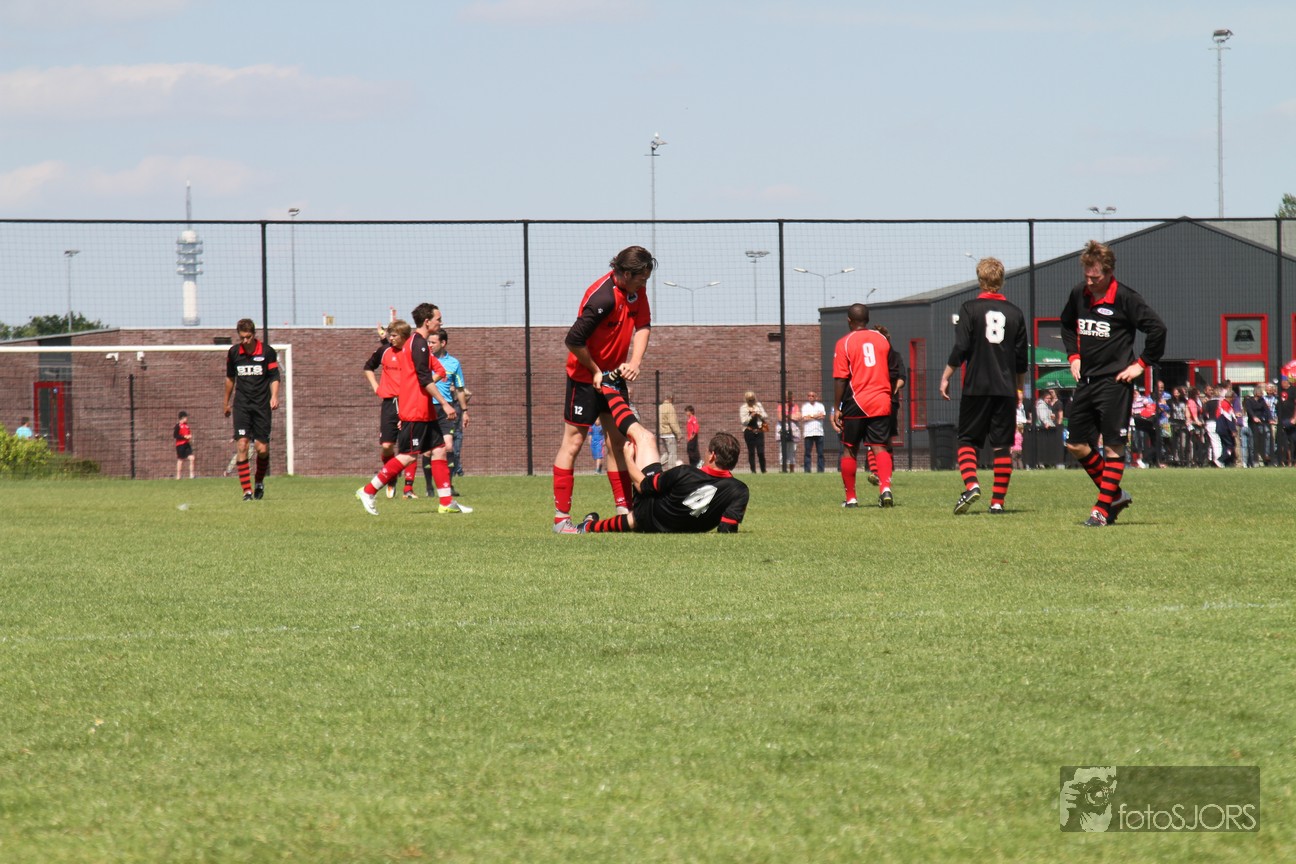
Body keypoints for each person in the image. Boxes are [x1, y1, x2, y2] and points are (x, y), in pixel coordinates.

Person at [1059, 241, 1167, 527]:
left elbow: (1157, 329)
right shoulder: (1078, 294)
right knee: (1075, 444)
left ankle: (1101, 509)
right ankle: (1116, 495)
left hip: (1115, 383)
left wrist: (1140, 365)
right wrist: (1073, 356)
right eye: (1086, 276)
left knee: (1113, 447)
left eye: (1095, 277)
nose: (1090, 281)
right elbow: (1067, 324)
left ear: (1108, 272)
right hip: (1086, 381)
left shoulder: (1125, 297)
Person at [551, 246, 654, 534]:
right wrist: (595, 371)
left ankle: (624, 512)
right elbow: (573, 340)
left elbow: (643, 325)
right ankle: (561, 520)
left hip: (614, 379)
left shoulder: (637, 291)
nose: (644, 284)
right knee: (573, 443)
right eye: (641, 279)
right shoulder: (602, 297)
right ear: (625, 273)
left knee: (618, 443)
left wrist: (634, 361)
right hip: (584, 378)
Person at [356, 303, 470, 516]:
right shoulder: (417, 344)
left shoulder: (417, 343)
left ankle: (446, 502)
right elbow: (424, 378)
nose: (441, 322)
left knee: (439, 450)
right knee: (408, 456)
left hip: (423, 409)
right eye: (438, 319)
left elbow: (430, 374)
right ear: (427, 321)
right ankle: (368, 491)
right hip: (415, 409)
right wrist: (445, 403)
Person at [938, 256, 1028, 515]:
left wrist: (946, 376)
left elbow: (961, 347)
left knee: (967, 439)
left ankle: (972, 485)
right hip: (1005, 388)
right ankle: (997, 502)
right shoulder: (1015, 313)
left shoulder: (969, 309)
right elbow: (1021, 358)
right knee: (1002, 445)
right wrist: (1019, 388)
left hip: (976, 386)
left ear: (980, 280)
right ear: (1002, 280)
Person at [578, 420, 749, 534]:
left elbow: (642, 486)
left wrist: (628, 458)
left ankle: (611, 391)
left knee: (645, 438)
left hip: (648, 515)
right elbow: (727, 528)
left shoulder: (685, 473)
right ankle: (589, 526)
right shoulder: (739, 490)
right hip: (666, 524)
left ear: (712, 456)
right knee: (635, 519)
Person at [833, 302, 904, 508]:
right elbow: (894, 371)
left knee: (849, 449)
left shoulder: (844, 343)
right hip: (881, 400)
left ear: (849, 321)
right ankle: (885, 489)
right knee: (880, 447)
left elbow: (840, 379)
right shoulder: (882, 339)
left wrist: (836, 407)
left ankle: (851, 499)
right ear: (867, 319)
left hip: (856, 401)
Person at [223, 319, 280, 501]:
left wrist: (274, 396)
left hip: (262, 406)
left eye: (248, 337)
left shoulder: (267, 352)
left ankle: (259, 482)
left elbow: (274, 376)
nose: (245, 341)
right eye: (242, 337)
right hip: (242, 406)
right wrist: (226, 402)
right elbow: (230, 379)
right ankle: (247, 491)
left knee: (262, 449)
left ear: (254, 334)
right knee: (242, 445)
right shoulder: (234, 353)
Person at [362, 320, 410, 499]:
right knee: (387, 445)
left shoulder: (411, 353)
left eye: (394, 335)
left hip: (408, 402)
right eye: (390, 335)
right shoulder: (384, 351)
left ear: (404, 336)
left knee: (408, 448)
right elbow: (368, 367)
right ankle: (391, 476)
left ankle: (408, 488)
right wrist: (376, 387)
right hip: (390, 403)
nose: (391, 338)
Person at [425, 328, 470, 498]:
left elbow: (460, 389)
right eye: (428, 342)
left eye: (433, 342)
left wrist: (464, 411)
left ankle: (448, 485)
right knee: (427, 451)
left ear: (443, 343)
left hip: (446, 409)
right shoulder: (423, 360)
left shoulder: (453, 363)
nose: (429, 345)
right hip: (427, 407)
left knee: (448, 446)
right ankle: (429, 487)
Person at [739, 391, 768, 473]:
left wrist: (759, 414)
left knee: (761, 452)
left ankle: (763, 470)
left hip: (759, 430)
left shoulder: (758, 405)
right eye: (750, 400)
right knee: (751, 451)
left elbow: (765, 416)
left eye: (753, 400)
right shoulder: (743, 408)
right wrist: (750, 416)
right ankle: (753, 470)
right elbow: (743, 422)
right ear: (746, 400)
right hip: (749, 431)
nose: (751, 401)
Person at [800, 390, 827, 473]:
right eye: (809, 396)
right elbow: (804, 418)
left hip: (819, 432)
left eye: (812, 396)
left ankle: (820, 470)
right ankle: (807, 470)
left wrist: (810, 416)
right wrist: (815, 416)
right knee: (807, 453)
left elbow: (822, 416)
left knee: (820, 453)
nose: (811, 397)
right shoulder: (805, 407)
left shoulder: (820, 406)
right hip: (808, 433)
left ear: (816, 397)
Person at [776, 390, 801, 472]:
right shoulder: (780, 406)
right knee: (782, 450)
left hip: (793, 431)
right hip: (782, 431)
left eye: (790, 398)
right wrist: (792, 416)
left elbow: (798, 417)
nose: (788, 400)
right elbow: (780, 418)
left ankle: (791, 470)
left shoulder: (795, 406)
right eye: (787, 398)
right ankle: (783, 469)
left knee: (792, 451)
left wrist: (786, 416)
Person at [657, 394, 682, 467]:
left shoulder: (660, 407)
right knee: (672, 454)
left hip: (662, 433)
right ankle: (672, 470)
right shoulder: (670, 407)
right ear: (671, 398)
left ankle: (658, 465)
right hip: (669, 433)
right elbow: (673, 422)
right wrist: (679, 434)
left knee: (668, 452)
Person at [173, 410, 194, 479]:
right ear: (182, 418)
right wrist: (184, 437)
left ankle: (191, 475)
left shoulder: (187, 426)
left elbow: (188, 433)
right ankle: (178, 476)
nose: (187, 419)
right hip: (180, 445)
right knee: (180, 460)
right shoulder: (178, 426)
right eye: (186, 417)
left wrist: (189, 436)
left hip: (187, 444)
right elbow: (175, 435)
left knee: (192, 458)